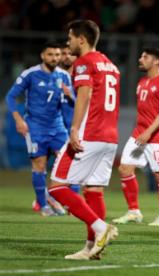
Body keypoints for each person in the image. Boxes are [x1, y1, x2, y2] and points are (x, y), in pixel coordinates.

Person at [48, 19, 120, 260]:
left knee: (57, 186)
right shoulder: (110, 65)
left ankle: (101, 228)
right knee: (94, 190)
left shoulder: (84, 62)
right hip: (110, 137)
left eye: (70, 37)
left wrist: (75, 128)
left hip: (90, 134)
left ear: (81, 38)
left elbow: (84, 96)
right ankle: (92, 248)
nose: (68, 42)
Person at [112, 48, 159, 226]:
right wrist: (142, 132)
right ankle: (134, 212)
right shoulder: (142, 81)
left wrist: (149, 132)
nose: (140, 59)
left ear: (156, 61)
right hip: (139, 135)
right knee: (125, 168)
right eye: (141, 55)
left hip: (158, 137)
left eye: (145, 57)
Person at [5, 42, 71, 216]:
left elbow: (72, 103)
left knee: (69, 162)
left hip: (58, 127)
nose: (55, 58)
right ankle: (43, 205)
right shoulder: (31, 74)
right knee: (39, 165)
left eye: (57, 55)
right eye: (50, 54)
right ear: (43, 56)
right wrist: (19, 120)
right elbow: (11, 96)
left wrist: (71, 96)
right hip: (35, 127)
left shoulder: (64, 76)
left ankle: (67, 202)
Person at [59, 44, 80, 194]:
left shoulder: (80, 78)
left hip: (74, 127)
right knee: (46, 164)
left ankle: (73, 202)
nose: (66, 56)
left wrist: (71, 95)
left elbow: (89, 101)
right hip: (55, 128)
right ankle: (45, 200)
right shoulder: (53, 77)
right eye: (63, 53)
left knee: (74, 167)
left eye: (69, 53)